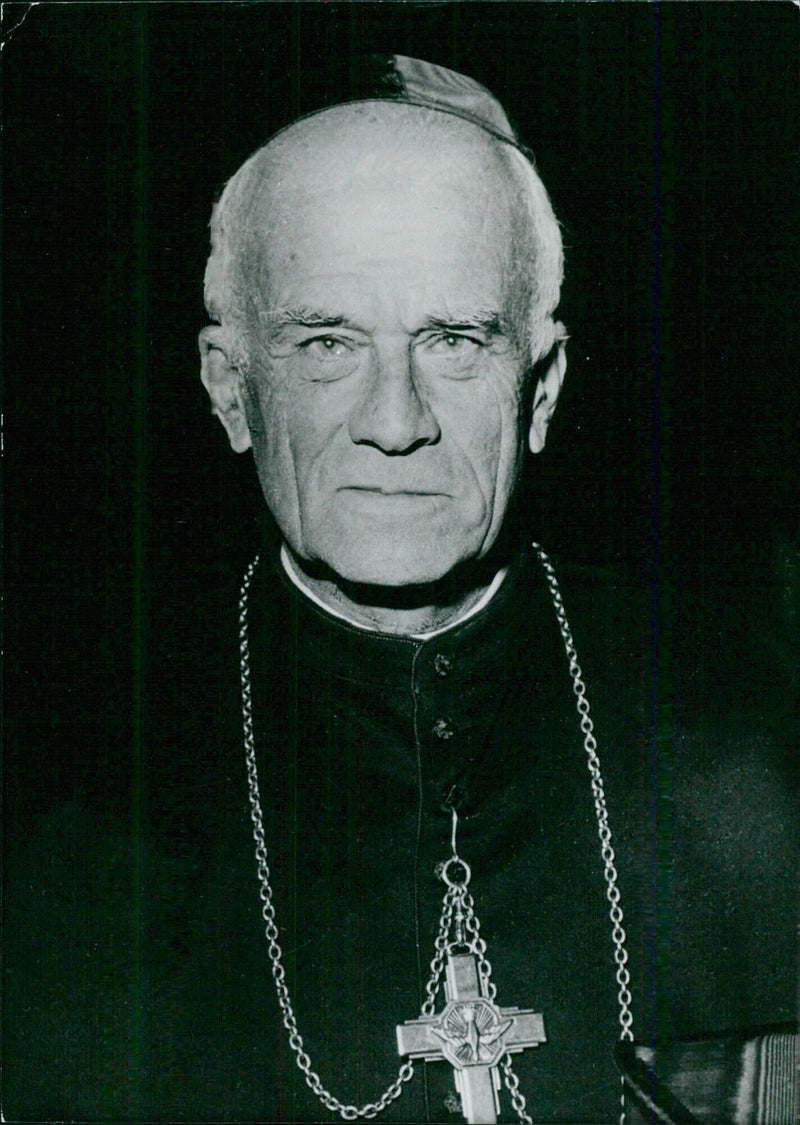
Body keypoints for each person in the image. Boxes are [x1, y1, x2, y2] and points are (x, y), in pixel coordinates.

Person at [190, 56, 794, 1124]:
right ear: (233, 389)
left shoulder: (761, 721)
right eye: (326, 345)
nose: (394, 420)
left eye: (454, 342)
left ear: (540, 388)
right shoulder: (56, 799)